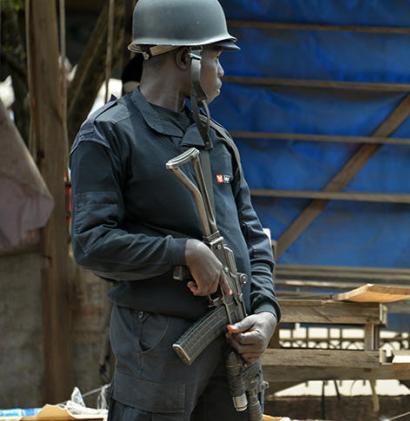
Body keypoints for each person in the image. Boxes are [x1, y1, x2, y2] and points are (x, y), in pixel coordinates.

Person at [70, 1, 279, 420]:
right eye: (216, 55)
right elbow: (91, 243)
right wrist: (181, 253)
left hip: (232, 347)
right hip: (158, 355)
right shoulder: (109, 135)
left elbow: (253, 238)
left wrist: (267, 311)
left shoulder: (216, 142)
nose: (221, 70)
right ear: (187, 56)